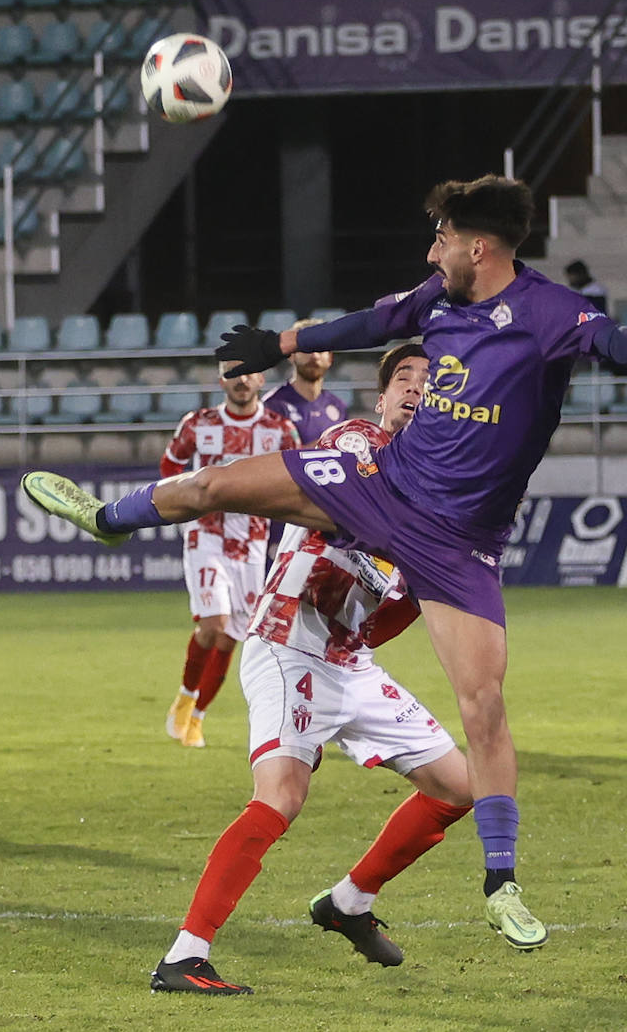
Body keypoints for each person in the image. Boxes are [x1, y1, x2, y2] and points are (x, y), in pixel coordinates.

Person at [23, 175, 627, 949]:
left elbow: (602, 336)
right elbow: (374, 319)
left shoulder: (544, 310)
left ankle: (501, 880)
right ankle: (110, 518)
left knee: (484, 708)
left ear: (479, 247)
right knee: (214, 485)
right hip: (384, 486)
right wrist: (281, 345)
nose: (431, 248)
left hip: (456, 543)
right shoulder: (436, 305)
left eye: (441, 237)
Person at [151, 345, 476, 995]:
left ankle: (349, 901)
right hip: (286, 645)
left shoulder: (436, 506)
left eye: (432, 384)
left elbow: (386, 619)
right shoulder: (355, 444)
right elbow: (342, 536)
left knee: (459, 787)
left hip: (349, 663)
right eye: (403, 380)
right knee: (280, 798)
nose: (416, 389)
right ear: (381, 400)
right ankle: (184, 957)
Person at [162, 367, 299, 749]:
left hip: (252, 544)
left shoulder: (280, 429)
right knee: (213, 622)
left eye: (249, 373)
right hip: (206, 536)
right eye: (232, 374)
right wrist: (181, 510)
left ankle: (197, 716)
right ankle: (186, 694)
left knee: (231, 637)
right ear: (220, 380)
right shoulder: (198, 423)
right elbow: (170, 465)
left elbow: (297, 477)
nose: (241, 380)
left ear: (261, 381)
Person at [263, 318, 350, 445]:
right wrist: (322, 446)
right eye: (307, 349)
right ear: (292, 355)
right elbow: (268, 458)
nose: (314, 356)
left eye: (320, 349)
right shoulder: (273, 405)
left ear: (330, 358)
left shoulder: (338, 406)